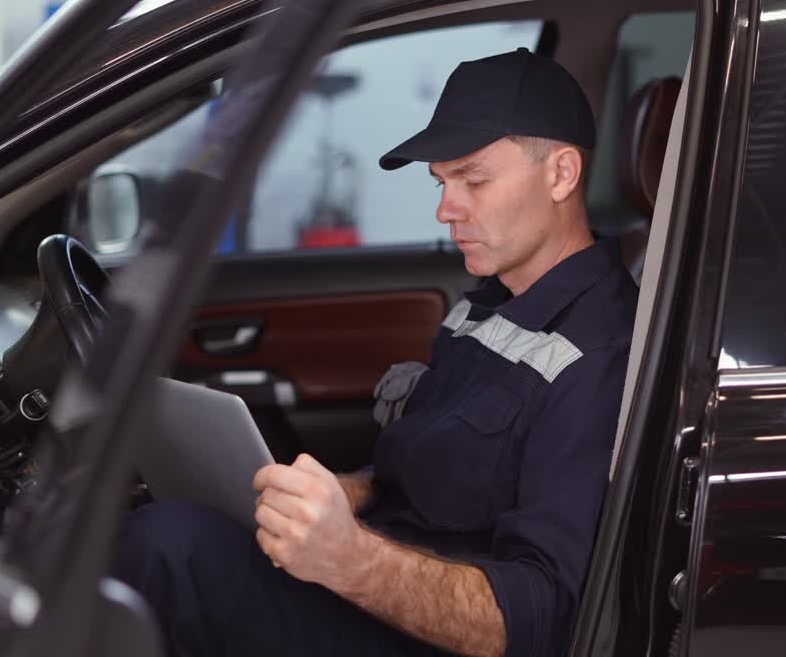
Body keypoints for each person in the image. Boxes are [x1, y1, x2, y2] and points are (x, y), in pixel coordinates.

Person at [113, 48, 639, 657]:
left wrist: (352, 559)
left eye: (473, 180)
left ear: (561, 174)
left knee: (170, 547)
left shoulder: (598, 355)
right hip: (382, 580)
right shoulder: (487, 306)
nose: (445, 209)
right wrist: (344, 496)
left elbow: (542, 618)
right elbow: (417, 475)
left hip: (432, 631)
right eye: (441, 182)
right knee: (178, 527)